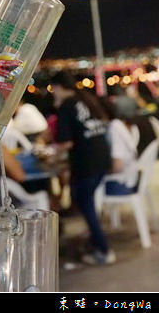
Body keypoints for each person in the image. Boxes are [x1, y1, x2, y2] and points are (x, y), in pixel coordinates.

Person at [50, 71, 115, 265]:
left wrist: (54, 155)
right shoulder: (86, 99)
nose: (53, 93)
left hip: (87, 162)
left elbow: (66, 142)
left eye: (54, 89)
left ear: (60, 88)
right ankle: (94, 239)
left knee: (83, 201)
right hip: (102, 158)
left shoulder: (67, 106)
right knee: (83, 200)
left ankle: (103, 249)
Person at [104, 98, 141, 196]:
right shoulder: (131, 127)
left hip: (123, 184)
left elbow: (118, 165)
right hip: (134, 179)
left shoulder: (115, 127)